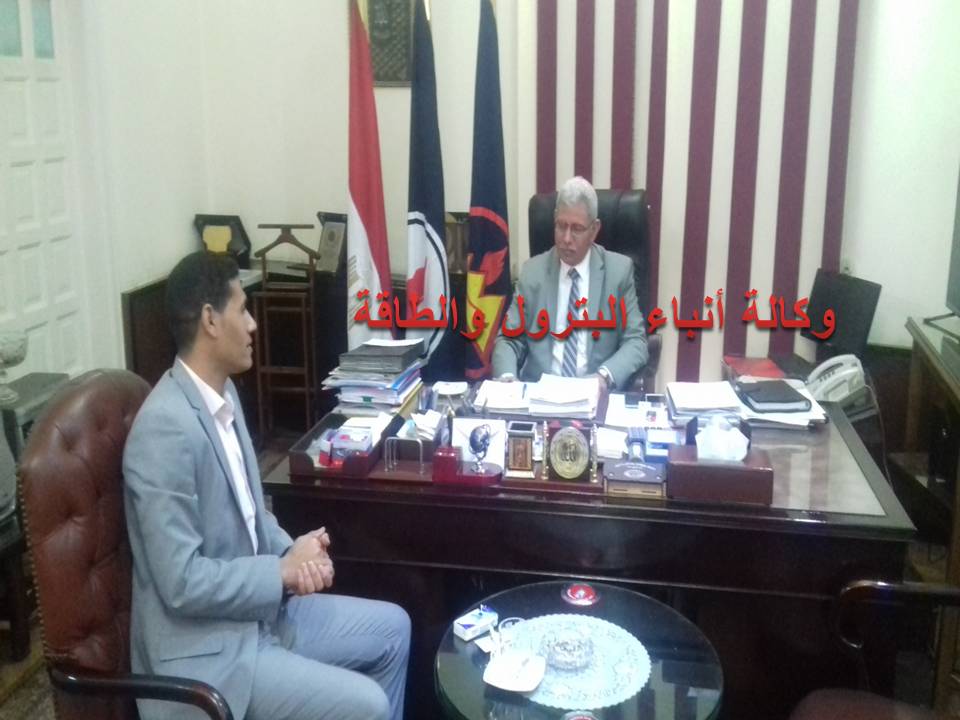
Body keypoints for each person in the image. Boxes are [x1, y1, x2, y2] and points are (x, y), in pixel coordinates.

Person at [123, 252, 410, 720]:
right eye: (243, 309)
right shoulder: (164, 428)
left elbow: (251, 516)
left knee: (395, 629)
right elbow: (182, 582)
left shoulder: (224, 394)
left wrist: (294, 552)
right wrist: (280, 572)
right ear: (211, 320)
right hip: (209, 656)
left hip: (259, 616)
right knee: (370, 706)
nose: (253, 325)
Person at [492, 176, 648, 390]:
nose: (566, 238)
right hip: (541, 395)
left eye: (576, 229)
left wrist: (603, 377)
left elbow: (636, 341)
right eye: (561, 226)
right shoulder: (532, 272)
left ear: (594, 230)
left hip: (593, 394)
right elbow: (509, 339)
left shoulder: (618, 272)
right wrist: (508, 378)